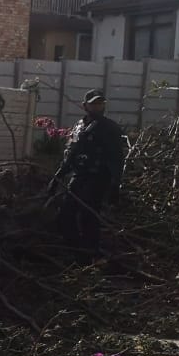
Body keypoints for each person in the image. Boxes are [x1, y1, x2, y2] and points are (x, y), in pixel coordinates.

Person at [48, 89, 126, 260]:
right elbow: (71, 154)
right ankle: (75, 251)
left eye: (101, 103)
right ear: (85, 106)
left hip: (99, 177)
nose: (98, 107)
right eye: (94, 104)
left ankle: (90, 254)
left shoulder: (110, 128)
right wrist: (58, 176)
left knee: (88, 214)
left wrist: (115, 185)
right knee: (66, 214)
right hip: (79, 175)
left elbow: (117, 158)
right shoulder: (79, 126)